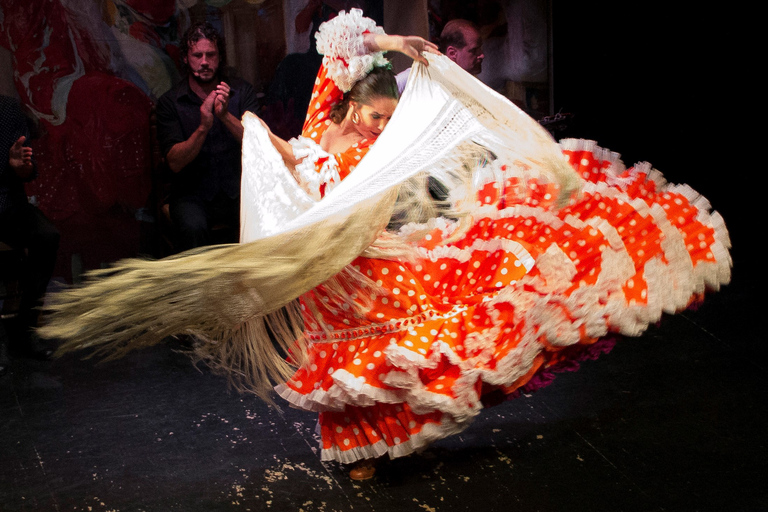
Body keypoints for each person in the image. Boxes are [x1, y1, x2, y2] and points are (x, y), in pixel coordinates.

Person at [42, 9, 731, 483]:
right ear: (346, 105)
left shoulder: (374, 147)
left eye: (388, 118)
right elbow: (334, 55)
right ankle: (361, 452)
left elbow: (358, 53)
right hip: (333, 278)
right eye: (376, 115)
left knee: (463, 310)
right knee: (353, 370)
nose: (382, 127)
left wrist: (405, 45)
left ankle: (380, 444)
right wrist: (254, 130)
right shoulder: (320, 120)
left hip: (365, 267)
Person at [155, 21, 259, 251]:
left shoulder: (242, 92)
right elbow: (174, 162)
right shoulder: (170, 103)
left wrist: (225, 117)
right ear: (185, 58)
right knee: (193, 228)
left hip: (237, 189)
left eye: (210, 55)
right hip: (191, 194)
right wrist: (203, 127)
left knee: (263, 220)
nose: (204, 62)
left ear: (219, 57)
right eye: (197, 55)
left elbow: (260, 145)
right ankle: (202, 287)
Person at [0, 95, 60, 371]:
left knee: (46, 235)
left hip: (7, 203)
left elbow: (28, 169)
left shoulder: (8, 109)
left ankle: (23, 329)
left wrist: (20, 168)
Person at [396, 18, 484, 94]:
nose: (482, 55)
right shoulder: (423, 74)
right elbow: (390, 89)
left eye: (480, 48)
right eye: (474, 50)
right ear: (452, 53)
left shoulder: (474, 85)